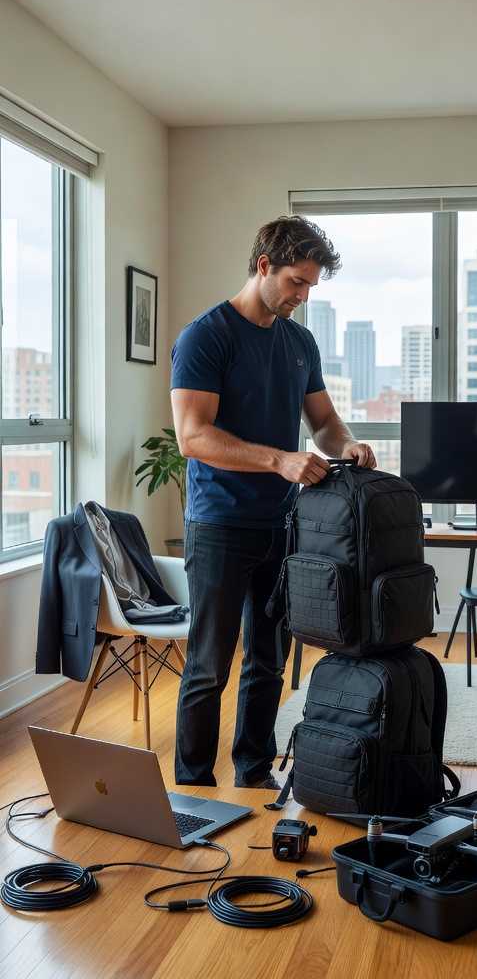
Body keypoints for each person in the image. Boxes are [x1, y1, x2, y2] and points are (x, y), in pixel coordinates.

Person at [170, 216, 376, 787]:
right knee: (209, 665)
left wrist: (346, 445)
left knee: (268, 661)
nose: (302, 296)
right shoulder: (206, 336)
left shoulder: (299, 342)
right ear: (264, 265)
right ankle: (192, 784)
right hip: (220, 524)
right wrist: (279, 460)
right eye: (296, 282)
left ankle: (253, 773)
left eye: (311, 286)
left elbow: (324, 422)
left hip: (284, 527)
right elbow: (193, 436)